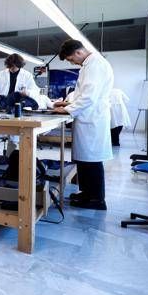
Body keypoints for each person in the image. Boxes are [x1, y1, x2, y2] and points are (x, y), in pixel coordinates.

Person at [53, 39, 114, 210]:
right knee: (84, 160)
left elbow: (89, 97)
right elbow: (82, 93)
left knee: (92, 160)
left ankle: (97, 200)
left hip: (93, 118)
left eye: (72, 59)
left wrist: (67, 110)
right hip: (87, 116)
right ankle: (87, 193)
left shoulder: (95, 65)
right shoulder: (88, 65)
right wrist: (67, 104)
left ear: (79, 53)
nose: (73, 62)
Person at [0, 53, 40, 155]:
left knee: (14, 138)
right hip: (2, 108)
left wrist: (27, 93)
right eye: (10, 67)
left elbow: (35, 91)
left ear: (19, 65)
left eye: (14, 67)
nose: (12, 69)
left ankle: (9, 162)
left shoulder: (27, 75)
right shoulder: (1, 74)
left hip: (16, 110)